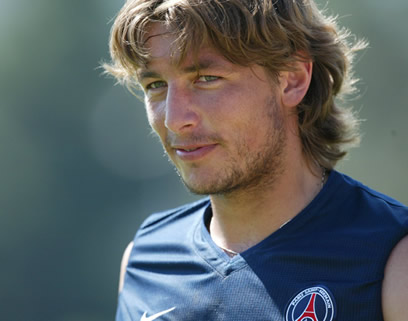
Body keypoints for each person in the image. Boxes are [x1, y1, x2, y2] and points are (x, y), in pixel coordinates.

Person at [103, 0, 408, 320]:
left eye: (206, 78)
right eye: (156, 85)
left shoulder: (392, 260)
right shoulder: (144, 258)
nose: (174, 119)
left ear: (292, 79)